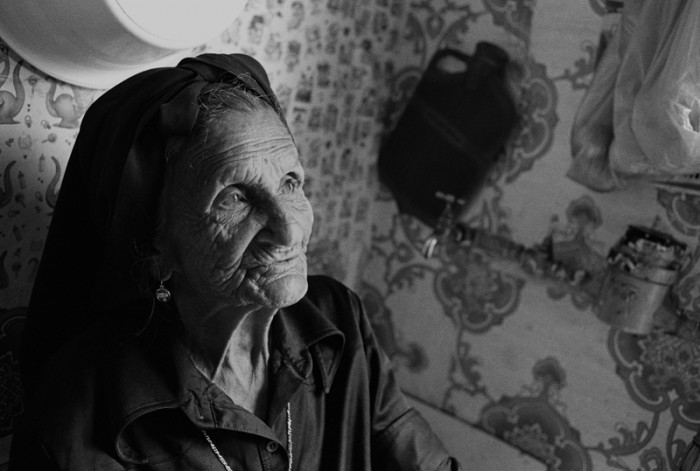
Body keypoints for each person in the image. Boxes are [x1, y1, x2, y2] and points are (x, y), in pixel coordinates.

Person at [9, 53, 461, 470]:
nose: (289, 230)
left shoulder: (339, 320)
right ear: (154, 251)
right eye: (236, 199)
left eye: (289, 182)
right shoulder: (81, 427)